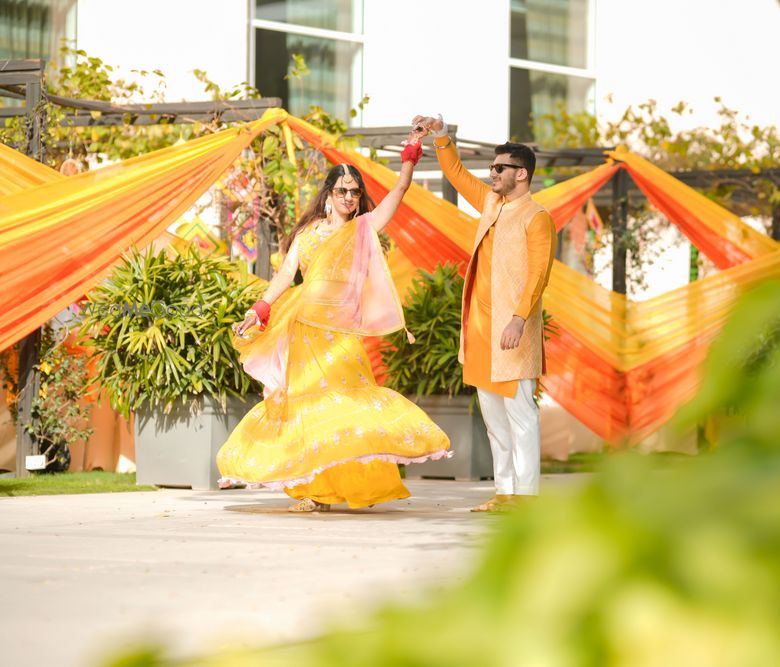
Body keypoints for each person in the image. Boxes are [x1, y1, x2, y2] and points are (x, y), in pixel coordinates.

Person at [217, 128, 451, 512]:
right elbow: (285, 273)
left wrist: (409, 160)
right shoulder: (308, 233)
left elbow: (397, 196)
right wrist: (260, 308)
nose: (349, 197)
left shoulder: (362, 229)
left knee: (342, 407)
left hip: (341, 334)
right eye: (342, 190)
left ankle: (346, 485)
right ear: (328, 195)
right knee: (307, 409)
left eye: (354, 192)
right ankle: (314, 492)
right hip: (304, 329)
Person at [412, 114, 556, 512]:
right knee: (493, 419)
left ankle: (526, 499)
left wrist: (518, 318)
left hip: (512, 331)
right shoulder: (492, 204)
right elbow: (456, 174)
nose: (491, 174)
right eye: (491, 167)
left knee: (521, 416)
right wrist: (440, 135)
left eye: (499, 168)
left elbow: (539, 275)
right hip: (480, 329)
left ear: (521, 174)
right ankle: (505, 492)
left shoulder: (537, 216)